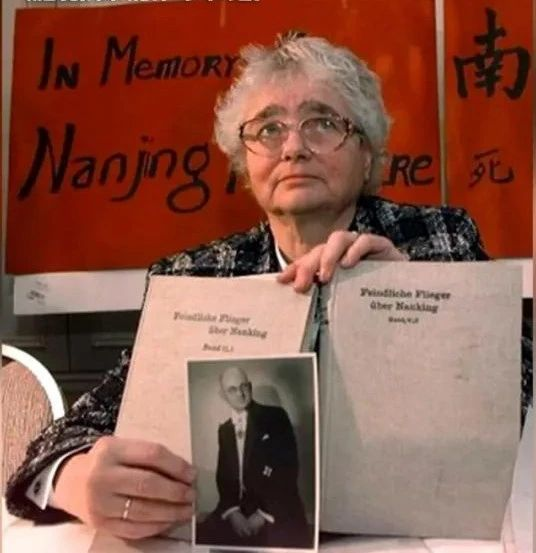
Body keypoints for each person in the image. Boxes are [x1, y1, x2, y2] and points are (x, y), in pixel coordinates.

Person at [6, 31, 532, 542]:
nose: (294, 147)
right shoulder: (193, 276)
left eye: (322, 123)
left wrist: (414, 298)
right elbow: (78, 427)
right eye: (269, 129)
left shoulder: (437, 237)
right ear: (246, 164)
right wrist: (72, 477)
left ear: (367, 154)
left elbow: (521, 389)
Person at [196, 366, 311, 548]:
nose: (240, 394)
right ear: (224, 395)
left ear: (250, 387)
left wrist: (263, 514)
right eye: (232, 390)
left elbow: (288, 469)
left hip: (276, 504)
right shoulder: (224, 430)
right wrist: (233, 512)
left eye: (244, 387)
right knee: (200, 537)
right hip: (239, 508)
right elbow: (224, 476)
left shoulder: (276, 416)